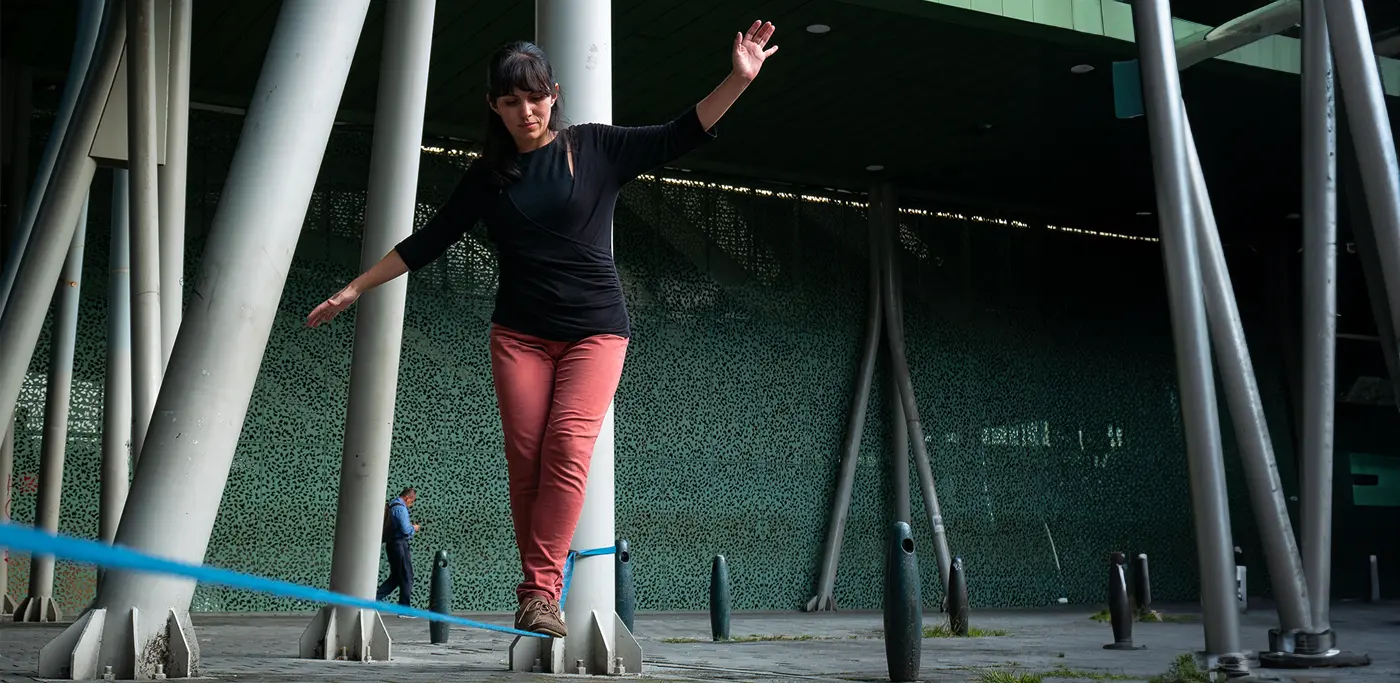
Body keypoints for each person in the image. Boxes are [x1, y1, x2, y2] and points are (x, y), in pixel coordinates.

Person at [308, 21, 780, 637]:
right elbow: (429, 240)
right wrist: (355, 287)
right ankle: (538, 590)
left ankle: (538, 592)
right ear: (494, 107)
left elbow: (679, 134)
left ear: (553, 94)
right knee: (526, 460)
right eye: (511, 102)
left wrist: (738, 80)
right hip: (520, 337)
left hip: (595, 333)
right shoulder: (488, 179)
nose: (525, 111)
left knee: (566, 450)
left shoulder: (594, 149)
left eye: (535, 98)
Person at [376, 487, 420, 611]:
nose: (411, 504)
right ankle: (404, 609)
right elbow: (405, 530)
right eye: (412, 501)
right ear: (407, 498)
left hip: (392, 545)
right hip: (399, 545)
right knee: (407, 576)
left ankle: (374, 600)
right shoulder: (401, 508)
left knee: (395, 577)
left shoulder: (391, 505)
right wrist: (414, 528)